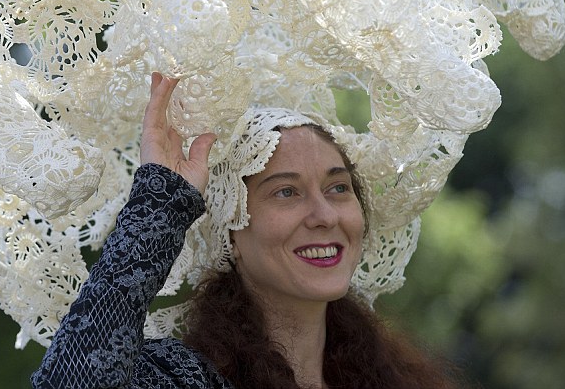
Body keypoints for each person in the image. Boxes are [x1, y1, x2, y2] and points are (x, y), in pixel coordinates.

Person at [32, 73, 465, 389]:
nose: (324, 215)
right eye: (286, 193)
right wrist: (161, 202)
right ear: (232, 233)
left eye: (338, 187)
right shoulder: (186, 380)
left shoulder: (397, 379)